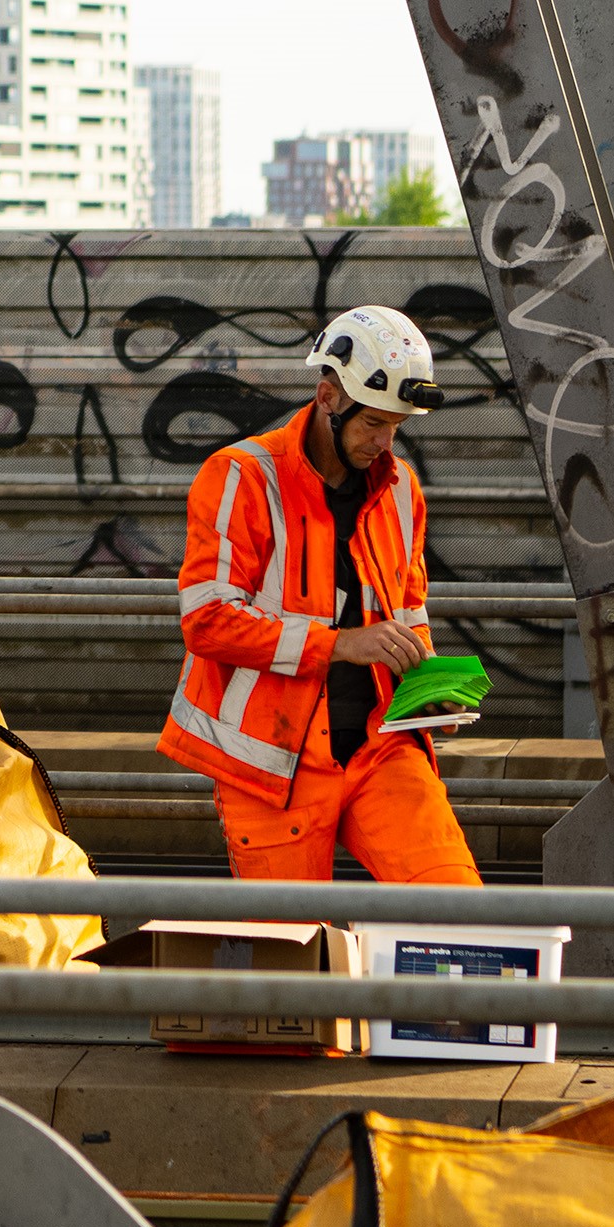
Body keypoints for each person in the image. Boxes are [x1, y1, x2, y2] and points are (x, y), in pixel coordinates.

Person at [159, 303, 481, 886]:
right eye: (373, 423)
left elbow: (408, 611)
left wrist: (429, 686)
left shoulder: (402, 488)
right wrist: (341, 644)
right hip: (270, 766)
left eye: (396, 426)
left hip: (383, 750)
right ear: (328, 396)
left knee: (458, 909)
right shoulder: (241, 476)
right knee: (293, 938)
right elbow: (206, 620)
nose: (384, 442)